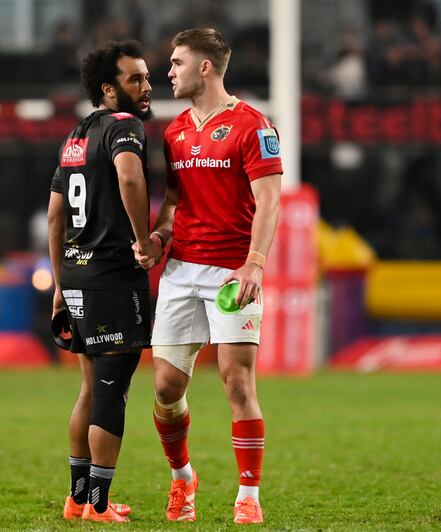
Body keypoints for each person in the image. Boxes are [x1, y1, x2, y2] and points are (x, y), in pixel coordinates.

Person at [134, 28, 282, 524]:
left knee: (237, 381)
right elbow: (175, 201)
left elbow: (269, 202)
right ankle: (183, 480)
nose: (167, 72)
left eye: (176, 63)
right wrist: (158, 238)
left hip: (231, 273)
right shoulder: (174, 131)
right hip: (180, 272)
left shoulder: (254, 126)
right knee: (166, 389)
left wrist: (254, 264)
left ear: (204, 67)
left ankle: (249, 496)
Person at [47, 40, 160, 523]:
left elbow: (55, 216)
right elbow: (131, 180)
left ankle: (77, 498)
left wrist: (57, 283)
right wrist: (143, 242)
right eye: (135, 79)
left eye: (147, 76)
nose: (147, 86)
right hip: (113, 277)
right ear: (109, 90)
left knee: (90, 390)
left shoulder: (76, 135)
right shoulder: (124, 127)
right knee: (112, 392)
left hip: (75, 275)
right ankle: (97, 504)